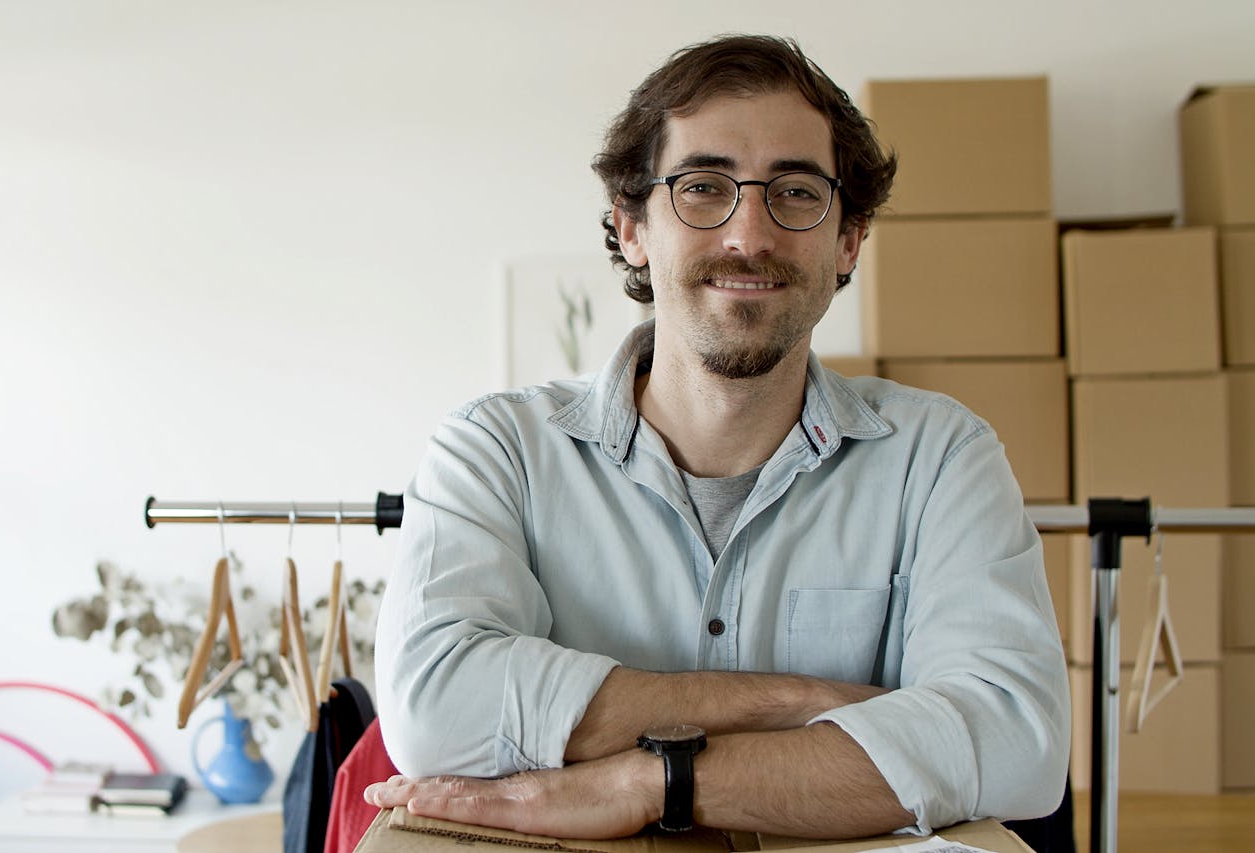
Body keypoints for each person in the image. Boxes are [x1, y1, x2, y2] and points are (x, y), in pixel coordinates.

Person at [366, 34, 1069, 842]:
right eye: (704, 188)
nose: (749, 235)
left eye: (797, 192)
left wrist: (652, 779)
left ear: (849, 239)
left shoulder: (941, 457)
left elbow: (1018, 740)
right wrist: (799, 702)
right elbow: (435, 711)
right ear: (632, 226)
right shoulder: (495, 450)